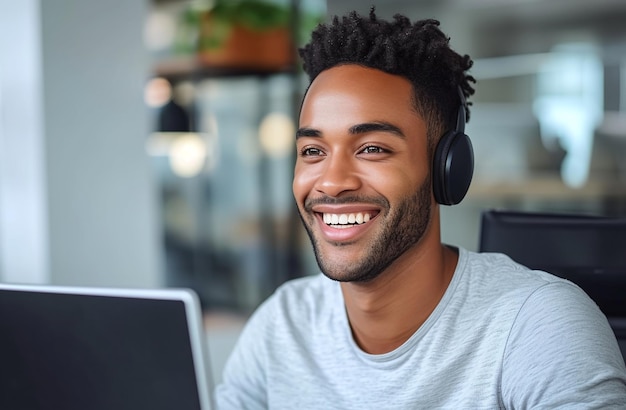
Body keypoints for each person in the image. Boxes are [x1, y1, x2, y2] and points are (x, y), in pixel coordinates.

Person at [215, 9, 626, 409]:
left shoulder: (538, 325)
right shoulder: (282, 324)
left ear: (446, 170)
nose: (331, 181)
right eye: (312, 151)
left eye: (372, 148)